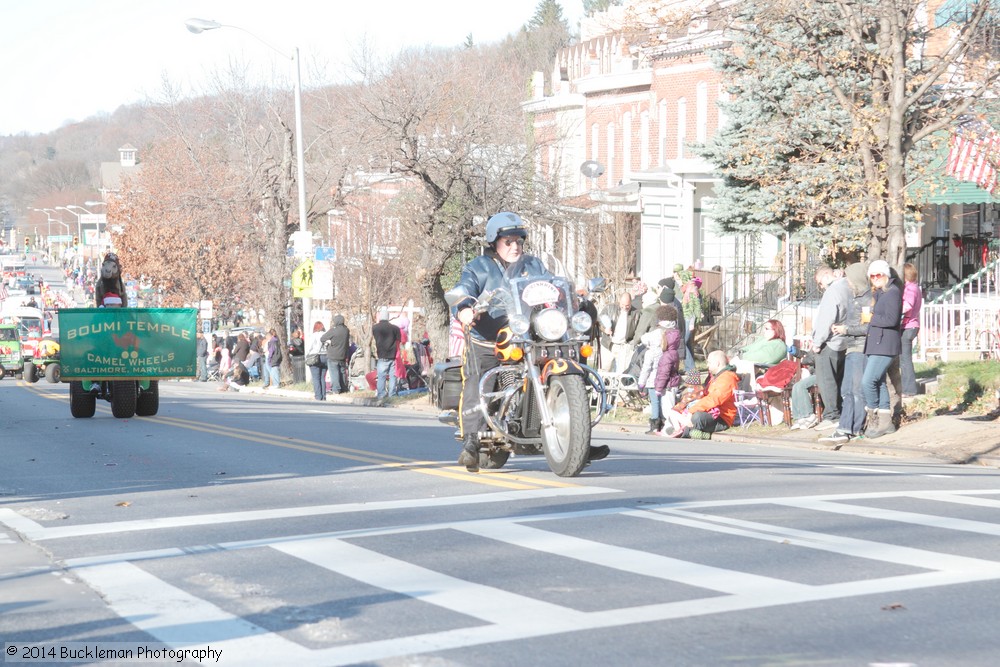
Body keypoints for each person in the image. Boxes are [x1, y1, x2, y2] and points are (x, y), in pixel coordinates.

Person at [447, 211, 610, 472]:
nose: (515, 246)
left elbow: (552, 286)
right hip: (490, 338)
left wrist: (573, 297)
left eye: (518, 241)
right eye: (508, 241)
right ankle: (471, 442)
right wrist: (465, 307)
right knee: (477, 380)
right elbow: (464, 289)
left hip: (531, 335)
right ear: (494, 242)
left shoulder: (533, 265)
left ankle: (575, 438)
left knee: (573, 357)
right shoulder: (479, 267)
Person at [821, 262, 872, 445]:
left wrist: (845, 329)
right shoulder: (855, 297)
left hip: (859, 348)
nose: (847, 283)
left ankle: (852, 427)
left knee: (855, 390)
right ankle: (845, 427)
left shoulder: (867, 300)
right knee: (847, 390)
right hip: (852, 346)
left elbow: (866, 328)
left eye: (850, 279)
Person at [860, 259, 903, 439]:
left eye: (879, 275)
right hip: (877, 343)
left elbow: (892, 320)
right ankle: (886, 423)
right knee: (878, 382)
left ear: (886, 275)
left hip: (885, 345)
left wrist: (871, 318)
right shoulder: (880, 293)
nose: (876, 278)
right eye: (872, 276)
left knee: (867, 381)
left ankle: (875, 416)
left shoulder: (892, 292)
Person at [804, 266, 851, 430]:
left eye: (819, 283)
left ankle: (831, 416)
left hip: (829, 343)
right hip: (844, 340)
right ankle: (840, 412)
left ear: (825, 276)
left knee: (827, 380)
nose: (821, 287)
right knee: (839, 380)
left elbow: (826, 319)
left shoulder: (832, 291)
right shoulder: (848, 286)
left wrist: (817, 343)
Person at [662, 350, 738, 439]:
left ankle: (684, 431)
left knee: (697, 417)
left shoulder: (727, 378)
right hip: (708, 411)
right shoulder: (715, 377)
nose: (707, 365)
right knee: (680, 413)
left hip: (721, 417)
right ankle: (688, 430)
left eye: (709, 362)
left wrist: (692, 411)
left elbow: (714, 399)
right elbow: (704, 395)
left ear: (717, 363)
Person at [651, 304, 683, 434]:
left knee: (668, 409)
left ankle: (675, 427)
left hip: (668, 386)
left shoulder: (666, 356)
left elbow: (663, 373)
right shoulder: (674, 352)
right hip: (673, 383)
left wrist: (658, 388)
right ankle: (667, 428)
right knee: (670, 407)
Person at [599, 291, 640, 373]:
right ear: (619, 301)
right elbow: (600, 320)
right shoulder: (610, 308)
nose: (624, 307)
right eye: (622, 305)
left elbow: (637, 330)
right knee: (604, 369)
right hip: (608, 344)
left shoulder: (636, 313)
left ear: (631, 303)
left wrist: (632, 343)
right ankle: (600, 385)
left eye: (627, 305)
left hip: (624, 346)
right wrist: (605, 329)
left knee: (622, 372)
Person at [900, 262, 922, 397]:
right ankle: (907, 387)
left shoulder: (910, 289)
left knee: (905, 359)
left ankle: (909, 389)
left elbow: (907, 306)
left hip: (908, 326)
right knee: (904, 358)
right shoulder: (914, 287)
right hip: (911, 325)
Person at [372, 308, 401, 401]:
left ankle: (381, 394)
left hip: (381, 356)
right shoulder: (395, 328)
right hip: (392, 356)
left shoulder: (375, 328)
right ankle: (392, 393)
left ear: (380, 317)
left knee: (381, 376)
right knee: (393, 376)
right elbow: (399, 341)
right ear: (388, 317)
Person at [321, 314, 351, 394]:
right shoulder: (346, 330)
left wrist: (329, 341)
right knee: (342, 372)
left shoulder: (333, 330)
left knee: (334, 373)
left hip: (333, 355)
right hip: (343, 355)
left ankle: (336, 389)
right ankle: (344, 388)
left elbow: (323, 338)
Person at [306, 321, 328, 401]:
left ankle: (318, 396)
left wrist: (307, 355)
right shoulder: (326, 335)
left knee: (316, 378)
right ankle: (324, 395)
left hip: (315, 357)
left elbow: (309, 347)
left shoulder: (313, 335)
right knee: (322, 377)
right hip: (325, 356)